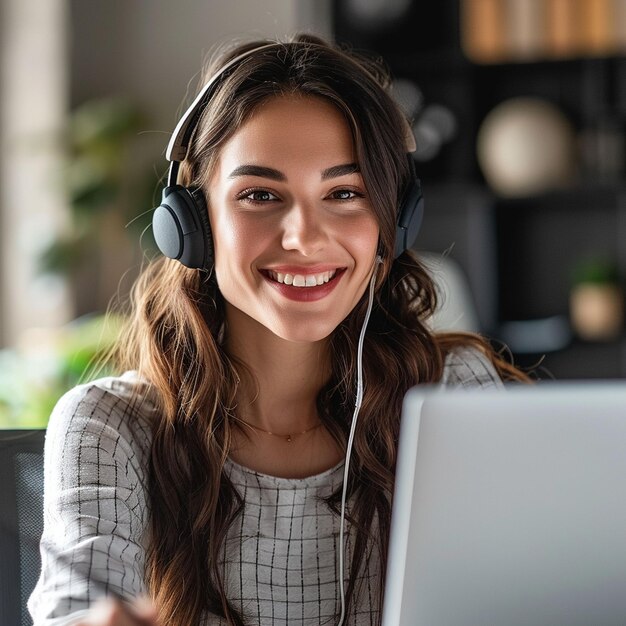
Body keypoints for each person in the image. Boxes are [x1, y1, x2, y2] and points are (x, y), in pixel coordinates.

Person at [28, 33, 527, 626]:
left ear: (394, 225)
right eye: (260, 195)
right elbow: (78, 606)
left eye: (345, 193)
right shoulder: (111, 427)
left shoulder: (450, 395)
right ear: (193, 224)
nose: (304, 238)